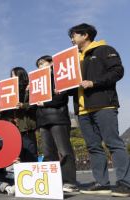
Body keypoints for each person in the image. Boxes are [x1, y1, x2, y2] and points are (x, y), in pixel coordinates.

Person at [68, 23, 130, 197]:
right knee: (93, 147)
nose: (72, 39)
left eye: (74, 35)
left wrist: (94, 82)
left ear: (85, 35)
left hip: (104, 104)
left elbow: (118, 71)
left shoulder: (104, 49)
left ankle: (125, 183)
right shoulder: (73, 59)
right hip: (82, 109)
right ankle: (101, 183)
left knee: (113, 143)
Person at [35, 55, 78, 193]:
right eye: (39, 65)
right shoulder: (37, 82)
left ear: (52, 63)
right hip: (43, 121)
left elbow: (61, 98)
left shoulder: (59, 77)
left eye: (43, 63)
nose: (41, 66)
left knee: (64, 151)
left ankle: (69, 182)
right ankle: (51, 182)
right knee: (48, 153)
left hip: (58, 118)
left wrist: (45, 102)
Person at [10, 67, 38, 162]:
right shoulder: (11, 91)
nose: (12, 77)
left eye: (14, 75)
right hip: (16, 126)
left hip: (27, 126)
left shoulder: (30, 86)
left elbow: (35, 104)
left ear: (20, 75)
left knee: (31, 150)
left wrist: (23, 105)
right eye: (11, 75)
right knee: (20, 152)